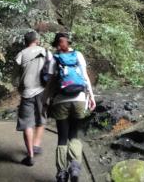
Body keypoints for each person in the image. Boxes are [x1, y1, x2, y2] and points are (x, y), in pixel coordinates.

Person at [45, 32, 96, 182]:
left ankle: (61, 173)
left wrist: (45, 101)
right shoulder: (78, 55)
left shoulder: (54, 58)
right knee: (74, 135)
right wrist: (91, 97)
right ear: (69, 42)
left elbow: (50, 83)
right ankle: (74, 167)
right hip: (79, 99)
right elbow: (85, 77)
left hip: (61, 101)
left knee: (62, 138)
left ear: (56, 44)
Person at [15, 30, 52, 166]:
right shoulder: (46, 52)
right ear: (36, 40)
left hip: (27, 92)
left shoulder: (21, 54)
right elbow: (52, 69)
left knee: (26, 123)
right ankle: (36, 145)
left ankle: (30, 155)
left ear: (26, 41)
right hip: (43, 91)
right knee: (41, 119)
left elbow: (17, 74)